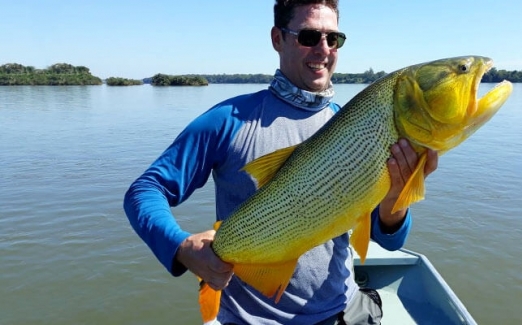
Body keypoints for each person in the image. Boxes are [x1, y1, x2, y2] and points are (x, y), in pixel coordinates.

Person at [123, 0, 438, 324]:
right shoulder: (228, 121)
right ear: (277, 39)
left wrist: (394, 201)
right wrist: (181, 247)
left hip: (345, 310)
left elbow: (389, 239)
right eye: (309, 37)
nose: (323, 49)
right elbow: (144, 190)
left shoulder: (356, 126)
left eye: (334, 39)